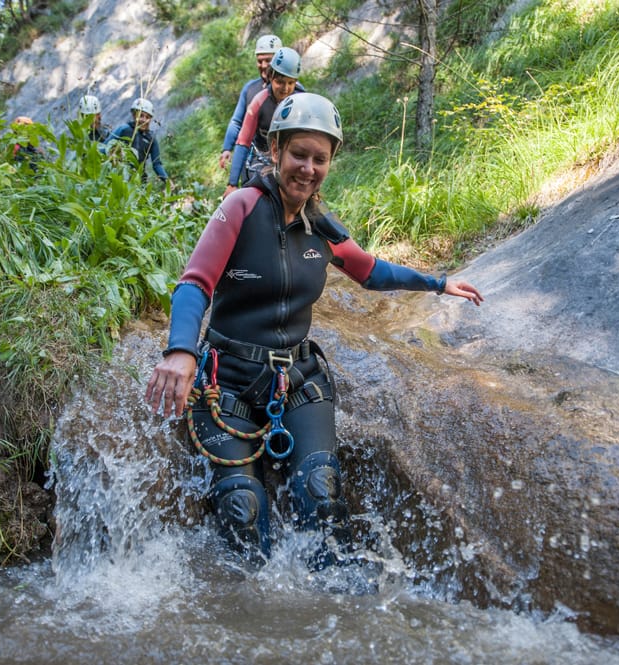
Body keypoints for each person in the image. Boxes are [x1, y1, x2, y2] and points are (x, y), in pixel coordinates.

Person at [145, 93, 484, 569]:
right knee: (242, 508)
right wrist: (180, 351)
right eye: (298, 155)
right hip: (229, 382)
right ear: (276, 150)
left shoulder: (322, 229)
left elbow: (371, 272)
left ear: (330, 163)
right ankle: (252, 618)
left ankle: (339, 607)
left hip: (298, 381)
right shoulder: (240, 208)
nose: (307, 168)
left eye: (319, 159)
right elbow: (194, 284)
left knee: (321, 491)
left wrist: (439, 282)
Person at [223, 46, 302, 199]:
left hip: (289, 158)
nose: (285, 89)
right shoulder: (259, 101)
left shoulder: (301, 99)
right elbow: (243, 142)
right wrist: (232, 184)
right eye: (280, 82)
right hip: (260, 159)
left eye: (290, 83)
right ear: (271, 78)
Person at [218, 34, 282, 179]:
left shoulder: (293, 90)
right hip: (255, 158)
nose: (264, 65)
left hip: (285, 157)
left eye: (268, 60)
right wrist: (227, 149)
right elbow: (236, 122)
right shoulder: (250, 89)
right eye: (260, 61)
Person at [108, 98, 169, 183]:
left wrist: (167, 180)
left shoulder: (151, 139)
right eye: (141, 116)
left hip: (139, 181)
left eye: (147, 117)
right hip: (120, 178)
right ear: (134, 115)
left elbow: (157, 164)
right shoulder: (124, 129)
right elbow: (105, 147)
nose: (144, 120)